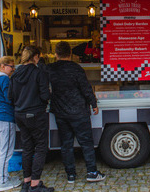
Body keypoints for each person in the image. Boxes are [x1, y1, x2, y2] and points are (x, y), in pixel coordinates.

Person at [45, 41, 105, 183]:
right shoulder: (76, 68)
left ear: (55, 54)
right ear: (70, 54)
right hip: (79, 112)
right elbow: (86, 88)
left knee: (66, 144)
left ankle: (71, 174)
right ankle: (91, 172)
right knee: (86, 143)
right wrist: (93, 103)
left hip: (60, 112)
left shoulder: (49, 69)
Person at [8, 46, 53, 192]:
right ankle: (35, 184)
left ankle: (26, 182)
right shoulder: (38, 73)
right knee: (40, 148)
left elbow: (10, 97)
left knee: (27, 148)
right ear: (35, 57)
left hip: (19, 114)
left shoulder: (15, 74)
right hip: (36, 114)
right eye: (38, 57)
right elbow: (45, 95)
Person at [0, 56, 21, 191]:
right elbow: (10, 98)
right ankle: (2, 181)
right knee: (5, 152)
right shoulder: (4, 79)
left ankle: (4, 176)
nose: (13, 69)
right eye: (11, 67)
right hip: (5, 117)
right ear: (2, 66)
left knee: (3, 150)